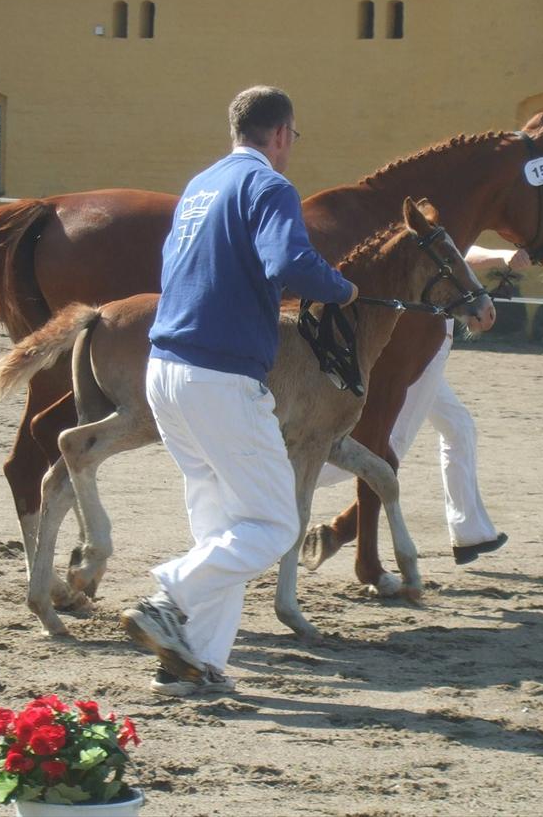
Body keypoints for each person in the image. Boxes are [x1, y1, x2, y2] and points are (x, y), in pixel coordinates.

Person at [121, 86, 358, 698]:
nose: (291, 148)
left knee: (222, 532)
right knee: (275, 525)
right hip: (220, 377)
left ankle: (192, 664)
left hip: (165, 370)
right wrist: (342, 288)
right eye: (293, 137)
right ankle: (167, 599)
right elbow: (292, 263)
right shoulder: (269, 186)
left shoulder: (201, 185)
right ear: (279, 133)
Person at [316, 245, 531, 564]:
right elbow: (457, 255)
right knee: (390, 445)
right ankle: (302, 483)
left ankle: (470, 533)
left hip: (435, 344)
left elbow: (457, 252)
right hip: (423, 347)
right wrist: (501, 256)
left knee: (459, 429)